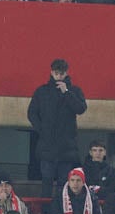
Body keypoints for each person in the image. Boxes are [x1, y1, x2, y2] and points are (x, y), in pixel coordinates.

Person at [27, 60, 88, 196]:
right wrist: (42, 130)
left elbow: (81, 108)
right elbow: (32, 113)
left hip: (66, 147)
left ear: (66, 73)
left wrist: (66, 92)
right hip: (47, 146)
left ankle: (62, 210)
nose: (59, 76)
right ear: (51, 72)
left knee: (64, 183)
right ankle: (46, 212)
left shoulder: (74, 91)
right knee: (46, 181)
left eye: (61, 74)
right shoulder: (42, 91)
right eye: (56, 73)